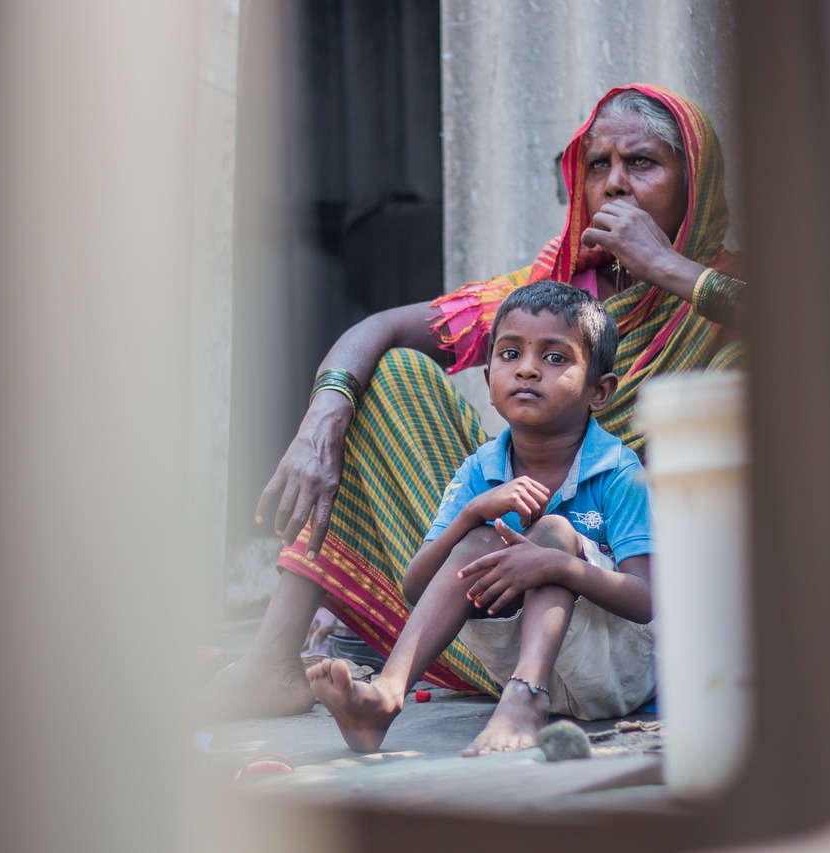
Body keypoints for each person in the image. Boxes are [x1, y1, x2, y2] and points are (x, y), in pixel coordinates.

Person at [208, 83, 746, 718]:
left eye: (643, 163)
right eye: (598, 165)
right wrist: (322, 416)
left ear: (696, 181)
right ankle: (277, 658)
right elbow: (380, 328)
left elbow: (822, 343)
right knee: (391, 372)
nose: (616, 184)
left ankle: (524, 692)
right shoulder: (554, 290)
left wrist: (668, 268)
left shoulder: (723, 295)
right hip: (488, 601)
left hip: (620, 613)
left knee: (562, 532)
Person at [308, 281, 655, 755]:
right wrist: (473, 512)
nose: (528, 369)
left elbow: (646, 600)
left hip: (615, 671)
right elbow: (414, 587)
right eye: (510, 354)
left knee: (552, 533)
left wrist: (557, 566)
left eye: (555, 358)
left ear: (600, 391)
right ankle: (386, 698)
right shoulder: (480, 470)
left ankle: (524, 700)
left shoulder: (617, 470)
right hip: (523, 658)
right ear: (489, 375)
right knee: (473, 542)